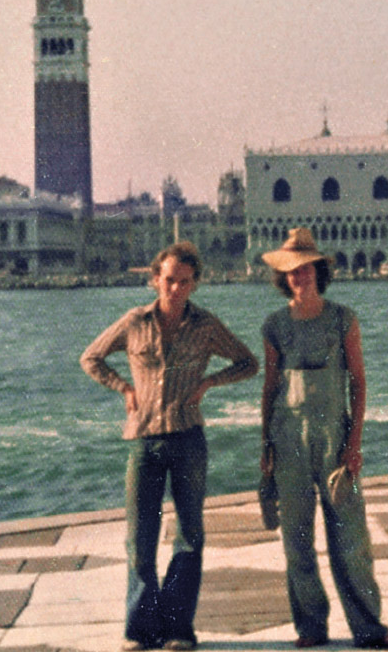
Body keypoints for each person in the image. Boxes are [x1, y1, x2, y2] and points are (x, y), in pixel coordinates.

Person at [81, 242, 259, 651]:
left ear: (194, 284)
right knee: (139, 539)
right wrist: (123, 388)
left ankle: (179, 630)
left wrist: (210, 382)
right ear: (155, 279)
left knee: (189, 535)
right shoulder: (134, 322)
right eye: (168, 280)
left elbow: (248, 363)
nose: (174, 288)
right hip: (144, 441)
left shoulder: (206, 326)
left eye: (183, 282)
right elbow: (91, 358)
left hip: (188, 439)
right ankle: (141, 630)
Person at [260, 228, 388, 650]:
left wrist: (354, 443)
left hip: (335, 439)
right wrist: (265, 449)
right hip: (287, 440)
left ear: (318, 270)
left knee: (351, 539)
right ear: (282, 277)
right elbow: (270, 390)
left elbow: (359, 384)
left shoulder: (343, 319)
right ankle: (310, 627)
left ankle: (370, 630)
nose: (298, 276)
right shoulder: (273, 325)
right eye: (290, 270)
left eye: (305, 268)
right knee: (297, 539)